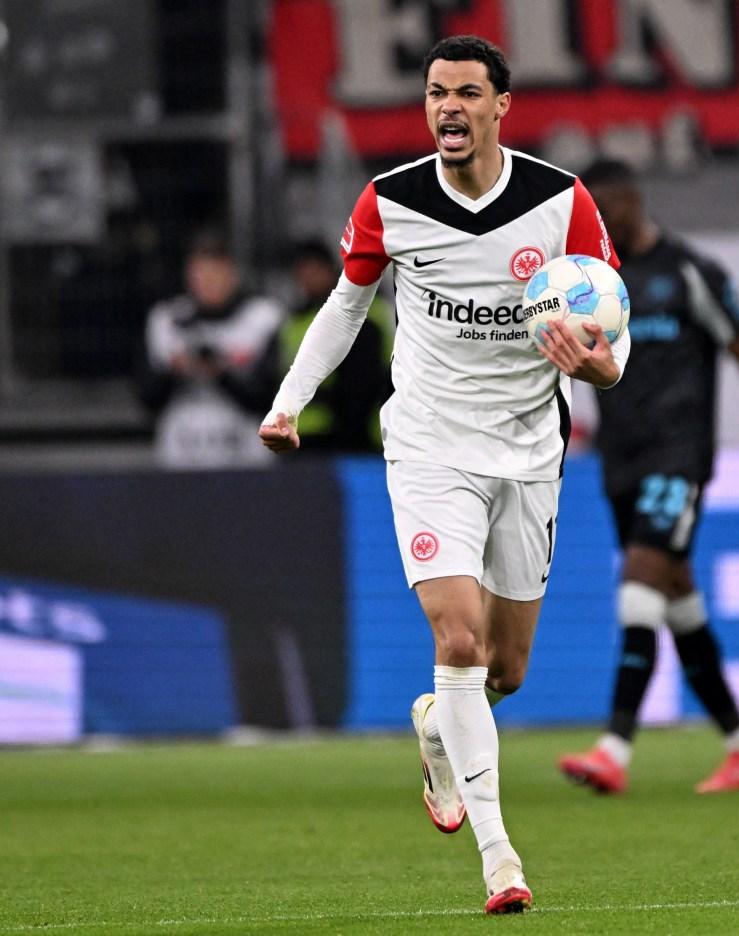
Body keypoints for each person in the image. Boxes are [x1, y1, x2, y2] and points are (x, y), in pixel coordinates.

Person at [259, 35, 629, 913]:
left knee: (505, 670)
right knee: (455, 638)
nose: (449, 107)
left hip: (532, 450)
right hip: (428, 445)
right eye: (436, 94)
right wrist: (286, 401)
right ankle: (501, 857)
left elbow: (611, 342)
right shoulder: (391, 202)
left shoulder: (561, 203)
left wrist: (596, 369)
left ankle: (437, 727)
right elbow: (345, 308)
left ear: (502, 106)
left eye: (467, 92)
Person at [557, 160, 739, 796]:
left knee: (641, 583)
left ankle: (614, 747)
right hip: (620, 457)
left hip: (680, 455)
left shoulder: (691, 272)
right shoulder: (592, 281)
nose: (599, 219)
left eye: (605, 205)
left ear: (633, 198)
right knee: (677, 602)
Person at [141, 229, 284, 468]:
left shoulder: (263, 319)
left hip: (245, 456)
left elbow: (268, 397)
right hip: (181, 457)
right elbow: (148, 397)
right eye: (199, 274)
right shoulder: (166, 321)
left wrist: (220, 372)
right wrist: (177, 371)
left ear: (232, 274)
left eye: (215, 273)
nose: (207, 282)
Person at [279, 240, 392, 453]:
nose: (308, 278)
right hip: (306, 436)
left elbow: (364, 382)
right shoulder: (295, 320)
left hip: (360, 437)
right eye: (302, 271)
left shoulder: (365, 311)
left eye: (314, 270)